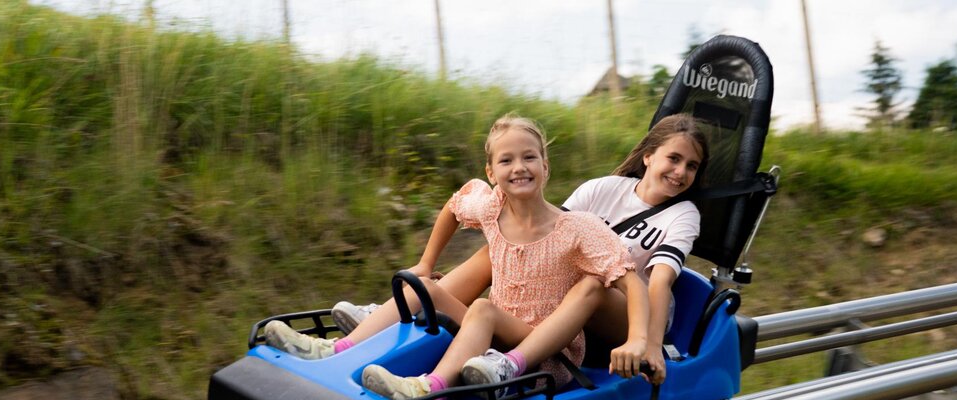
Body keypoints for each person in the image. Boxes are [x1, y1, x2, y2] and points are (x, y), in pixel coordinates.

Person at [265, 113, 708, 385]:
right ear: (649, 156)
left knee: (590, 280)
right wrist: (426, 265)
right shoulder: (604, 189)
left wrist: (646, 343)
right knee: (500, 249)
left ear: (545, 165)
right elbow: (535, 235)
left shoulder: (681, 214)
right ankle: (370, 328)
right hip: (542, 306)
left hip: (623, 312)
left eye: (691, 166)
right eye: (673, 158)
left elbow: (656, 281)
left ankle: (504, 364)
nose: (680, 171)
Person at [357, 114, 650, 400]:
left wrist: (638, 340)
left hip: (546, 355)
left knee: (482, 308)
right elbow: (454, 205)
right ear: (491, 173)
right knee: (426, 287)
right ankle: (344, 350)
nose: (519, 167)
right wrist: (426, 263)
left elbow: (631, 283)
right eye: (506, 160)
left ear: (545, 166)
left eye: (529, 157)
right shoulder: (491, 210)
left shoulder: (577, 228)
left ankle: (428, 393)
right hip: (495, 335)